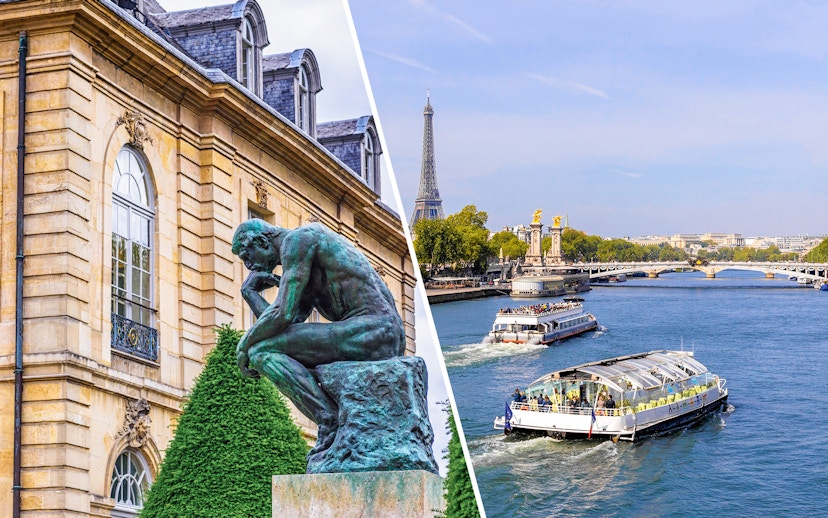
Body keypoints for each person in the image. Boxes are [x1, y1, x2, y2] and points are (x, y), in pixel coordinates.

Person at [231, 220, 406, 456]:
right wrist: (249, 293)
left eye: (246, 255)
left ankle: (328, 418)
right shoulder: (302, 262)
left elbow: (282, 314)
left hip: (374, 330)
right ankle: (330, 418)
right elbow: (284, 328)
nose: (249, 265)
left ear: (262, 241)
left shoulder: (298, 241)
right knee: (264, 350)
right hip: (375, 333)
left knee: (259, 352)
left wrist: (244, 344)